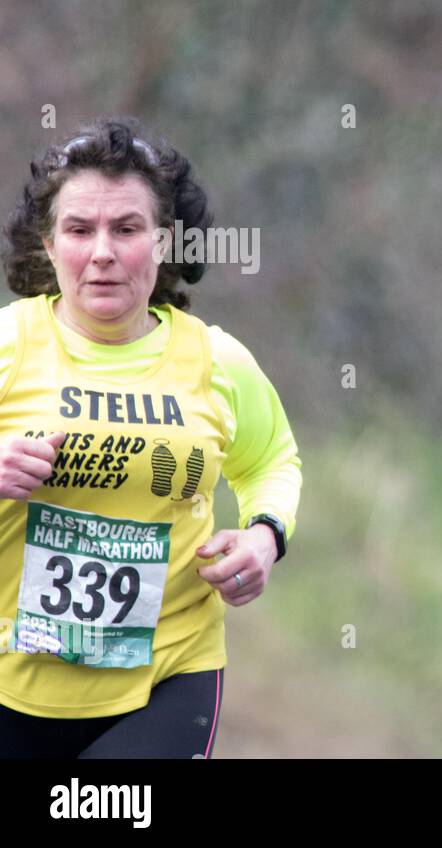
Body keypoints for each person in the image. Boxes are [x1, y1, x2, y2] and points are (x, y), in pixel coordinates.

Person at [0, 118, 302, 758]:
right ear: (49, 247)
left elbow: (272, 459)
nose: (102, 252)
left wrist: (264, 535)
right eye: (80, 230)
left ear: (165, 243)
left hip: (168, 678)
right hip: (12, 684)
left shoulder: (217, 361)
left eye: (127, 229)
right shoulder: (8, 346)